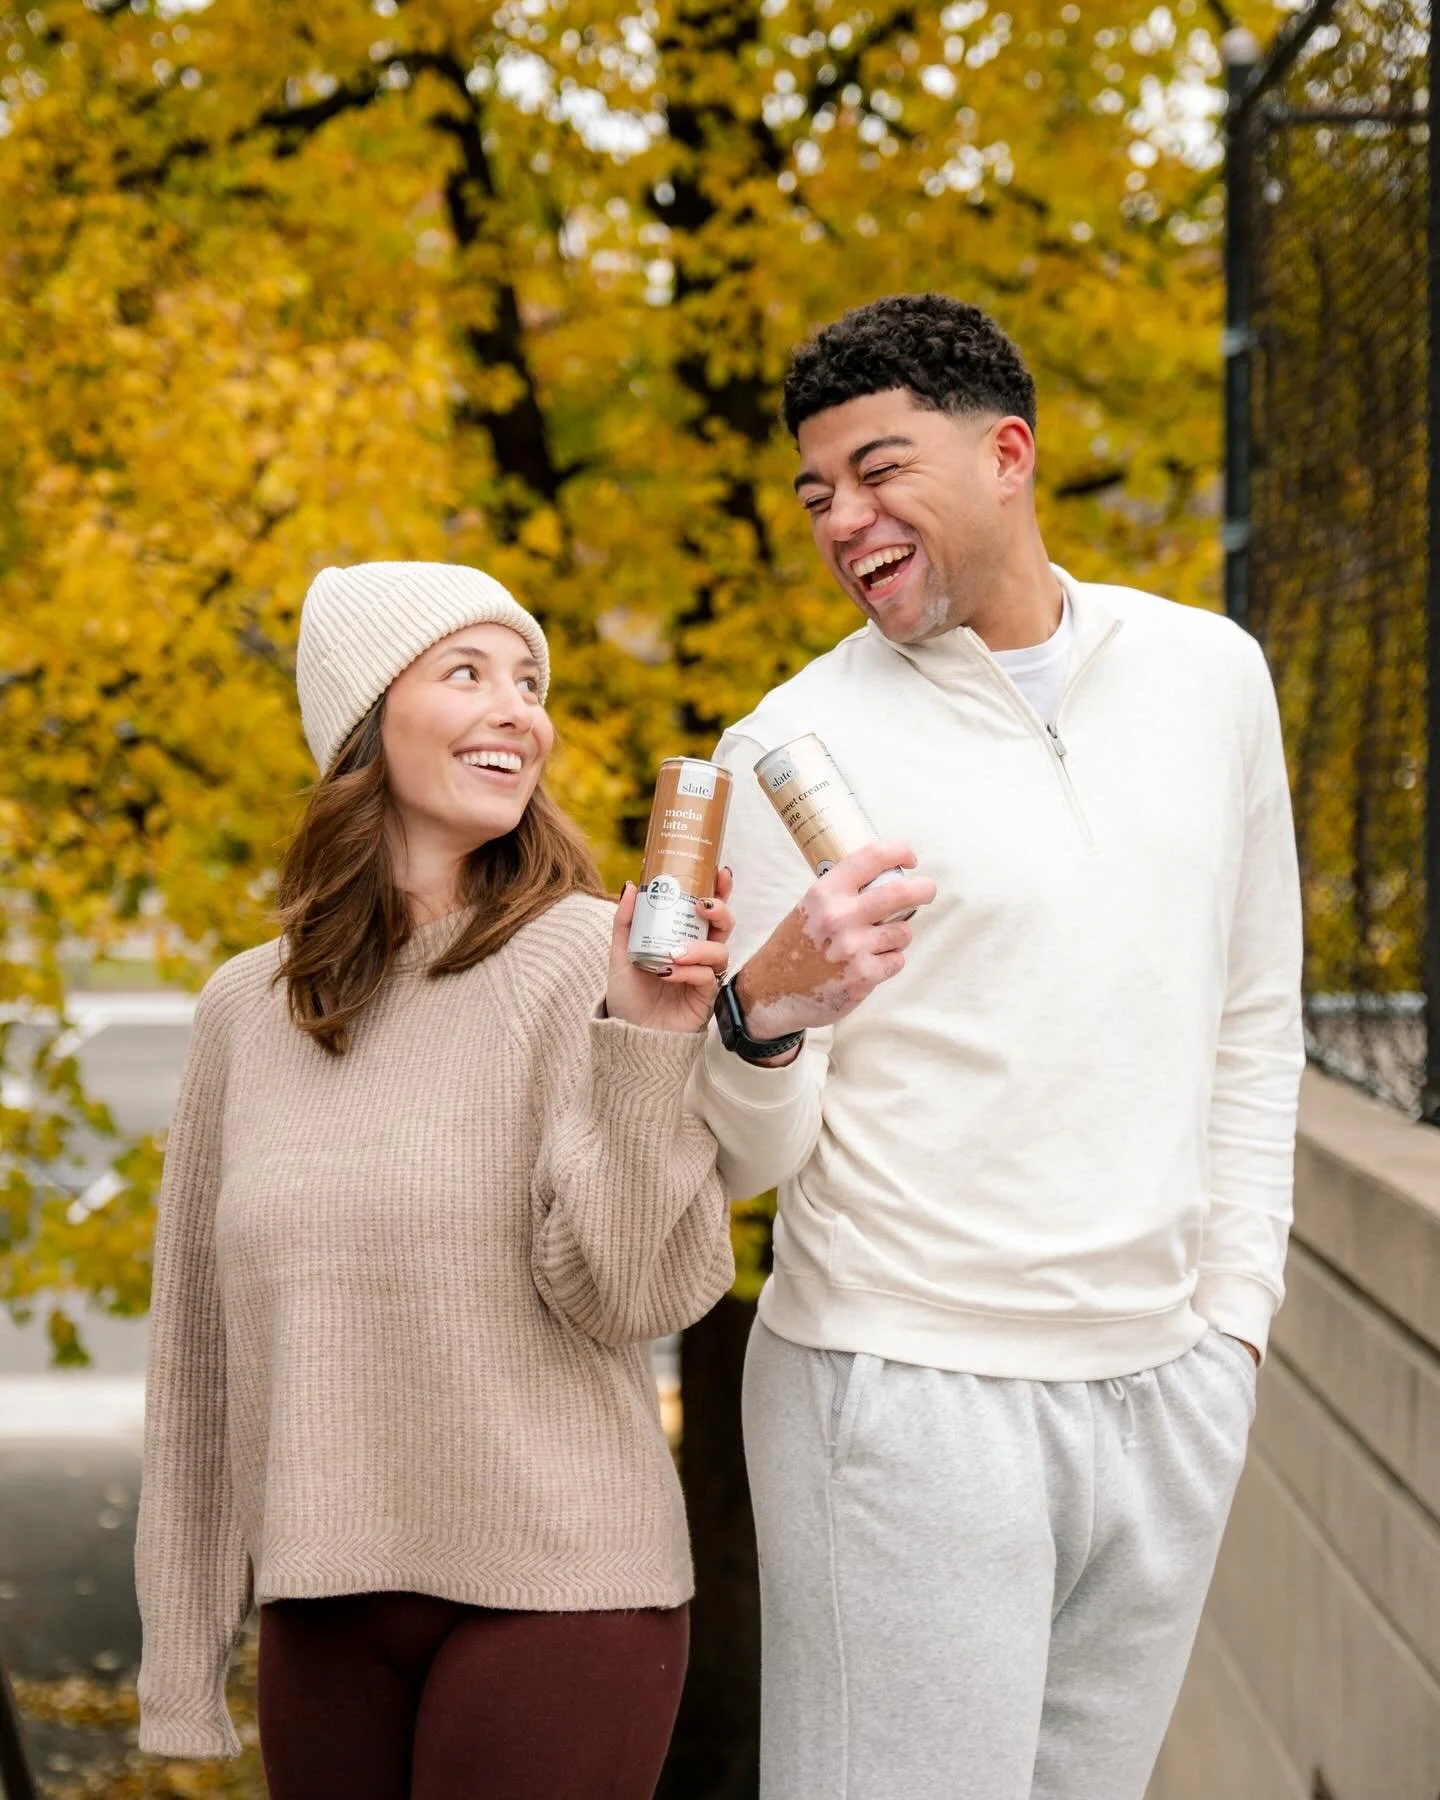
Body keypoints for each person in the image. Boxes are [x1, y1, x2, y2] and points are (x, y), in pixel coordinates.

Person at [689, 294, 1305, 1800]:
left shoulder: (1211, 677)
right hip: (904, 1390)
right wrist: (761, 1014)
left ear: (1009, 452)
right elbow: (746, 1163)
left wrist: (1232, 1317)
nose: (847, 519)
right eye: (818, 492)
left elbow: (1252, 1017)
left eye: (881, 469)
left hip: (1166, 1385)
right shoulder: (789, 748)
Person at [135, 561, 737, 1800]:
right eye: (467, 673)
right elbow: (197, 1352)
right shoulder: (247, 1009)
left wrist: (649, 1043)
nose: (519, 709)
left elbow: (627, 1290)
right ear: (366, 723)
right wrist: (181, 1659)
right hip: (323, 1604)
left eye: (530, 681)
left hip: (566, 1594)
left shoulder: (591, 956)